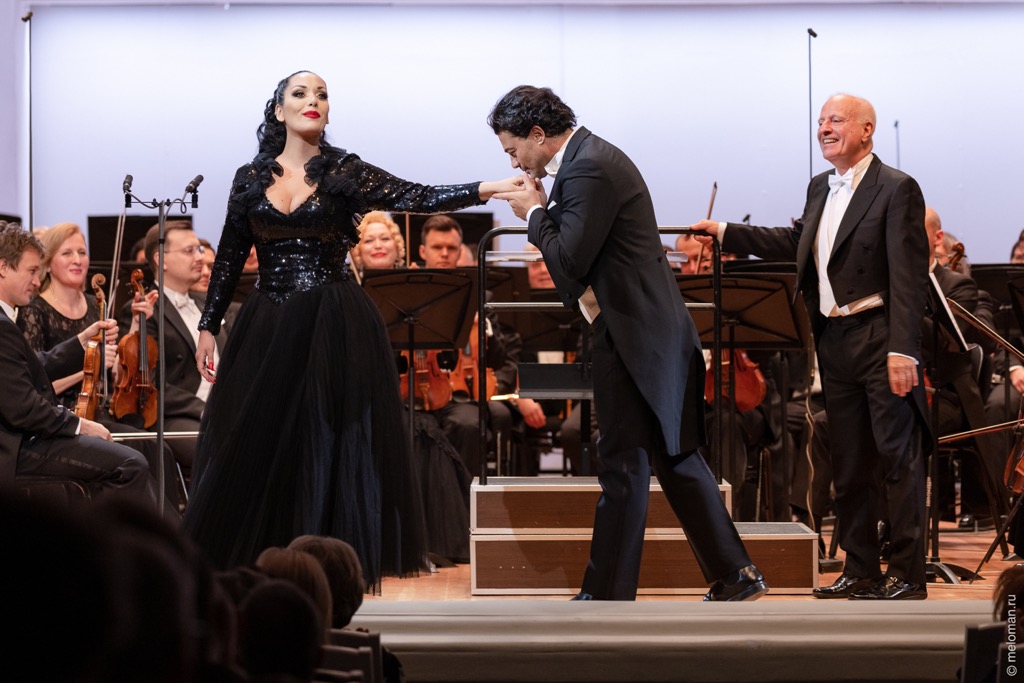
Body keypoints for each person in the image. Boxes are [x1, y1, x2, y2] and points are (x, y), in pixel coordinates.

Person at [185, 71, 520, 587]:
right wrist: (208, 325)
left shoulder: (346, 171)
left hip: (332, 320)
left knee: (326, 437)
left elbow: (418, 195)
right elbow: (230, 255)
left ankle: (324, 568)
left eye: (322, 94)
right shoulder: (249, 177)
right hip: (269, 320)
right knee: (264, 437)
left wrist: (489, 188)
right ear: (278, 110)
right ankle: (269, 563)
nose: (313, 101)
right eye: (300, 93)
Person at [490, 85, 766, 602]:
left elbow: (568, 262)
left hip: (634, 336)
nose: (513, 162)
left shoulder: (587, 168)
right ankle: (736, 574)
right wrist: (547, 211)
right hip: (649, 332)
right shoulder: (588, 160)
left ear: (537, 134)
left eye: (513, 149)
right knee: (670, 458)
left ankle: (608, 593)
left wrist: (533, 214)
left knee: (623, 463)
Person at [694, 94, 930, 600]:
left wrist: (903, 349)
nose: (824, 127)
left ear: (866, 130)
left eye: (836, 120)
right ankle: (860, 568)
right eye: (821, 120)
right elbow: (794, 241)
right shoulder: (820, 186)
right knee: (849, 462)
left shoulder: (896, 187)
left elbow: (909, 276)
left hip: (881, 336)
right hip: (834, 337)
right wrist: (726, 231)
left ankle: (908, 574)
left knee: (896, 458)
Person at [18, 222, 180, 514]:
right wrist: (86, 371)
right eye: (67, 253)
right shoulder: (34, 310)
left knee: (158, 448)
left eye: (82, 252)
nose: (78, 260)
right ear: (48, 263)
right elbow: (35, 381)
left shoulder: (97, 304)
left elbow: (117, 374)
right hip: (63, 412)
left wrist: (136, 324)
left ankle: (166, 528)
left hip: (100, 409)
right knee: (134, 452)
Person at [352, 212, 473, 564]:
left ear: (398, 246)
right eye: (369, 240)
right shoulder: (352, 291)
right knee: (412, 429)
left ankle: (447, 532)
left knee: (449, 425)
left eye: (385, 239)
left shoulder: (417, 284)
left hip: (421, 388)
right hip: (373, 390)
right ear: (357, 250)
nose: (378, 245)